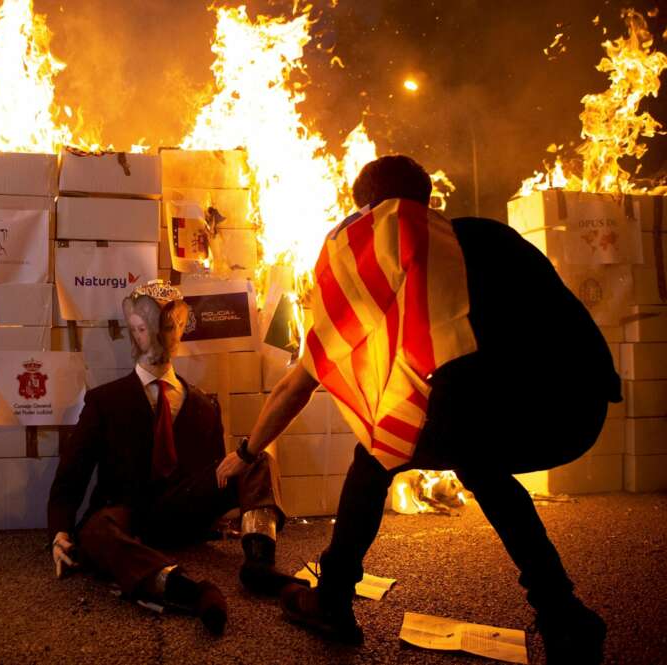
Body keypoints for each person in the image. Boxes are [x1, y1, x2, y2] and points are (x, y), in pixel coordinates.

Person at [216, 155, 621, 663]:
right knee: (477, 454)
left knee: (378, 448)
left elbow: (298, 384)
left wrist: (248, 450)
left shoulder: (395, 262)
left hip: (525, 412)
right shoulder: (488, 235)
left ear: (371, 213)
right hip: (580, 410)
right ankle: (563, 614)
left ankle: (333, 600)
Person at [48, 280, 306, 635]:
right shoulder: (104, 401)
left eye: (166, 327)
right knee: (93, 531)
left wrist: (235, 508)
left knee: (254, 457)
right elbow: (71, 475)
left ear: (181, 330)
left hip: (182, 511)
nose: (154, 338)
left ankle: (259, 563)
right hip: (125, 513)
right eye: (142, 329)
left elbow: (214, 473)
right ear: (132, 332)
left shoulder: (203, 405)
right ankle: (185, 590)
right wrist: (59, 532)